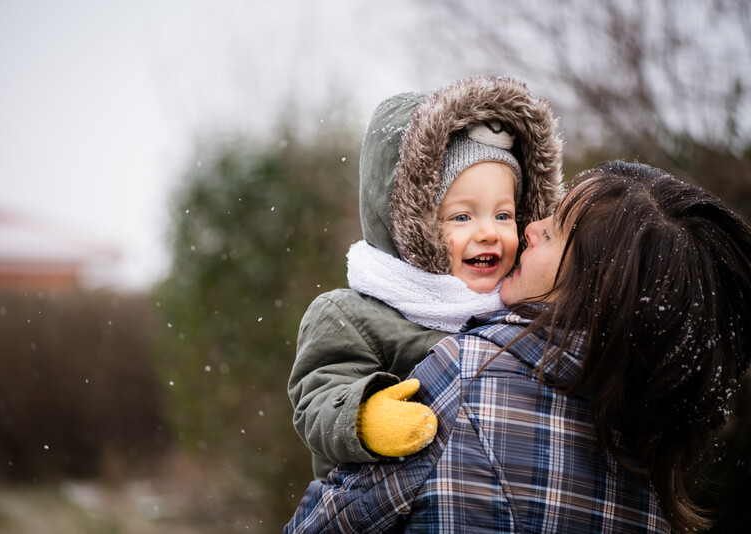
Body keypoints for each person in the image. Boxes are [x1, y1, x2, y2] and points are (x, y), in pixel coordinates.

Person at [284, 161, 751, 533]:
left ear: (595, 284)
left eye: (553, 230)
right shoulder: (650, 451)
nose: (529, 227)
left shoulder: (472, 374)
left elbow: (325, 523)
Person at [289, 76, 563, 480]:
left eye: (503, 215)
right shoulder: (353, 315)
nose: (489, 232)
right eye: (461, 217)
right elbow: (316, 397)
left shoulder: (520, 312)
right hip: (383, 501)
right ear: (412, 224)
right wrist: (363, 417)